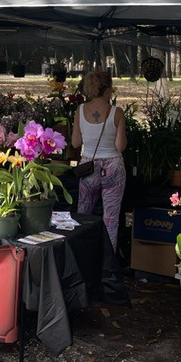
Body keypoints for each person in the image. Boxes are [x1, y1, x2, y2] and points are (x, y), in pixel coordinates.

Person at [71, 70, 127, 251]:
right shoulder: (116, 112)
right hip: (113, 166)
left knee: (83, 214)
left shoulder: (79, 111)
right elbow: (120, 146)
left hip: (89, 166)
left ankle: (82, 254)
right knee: (111, 218)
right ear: (108, 90)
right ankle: (108, 264)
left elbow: (75, 142)